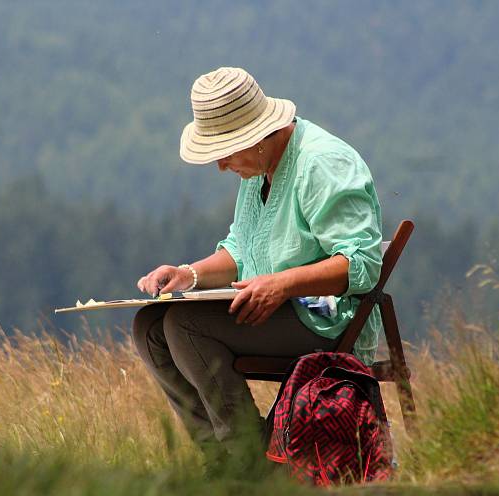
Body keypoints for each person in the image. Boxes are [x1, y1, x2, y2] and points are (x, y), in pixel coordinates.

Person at [132, 67, 383, 462]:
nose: (221, 166)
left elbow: (362, 265)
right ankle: (221, 461)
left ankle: (247, 462)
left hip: (330, 320)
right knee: (149, 326)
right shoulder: (259, 169)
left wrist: (282, 284)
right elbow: (240, 249)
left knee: (185, 326)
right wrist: (188, 275)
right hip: (281, 310)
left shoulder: (322, 162)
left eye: (226, 152)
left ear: (256, 137)